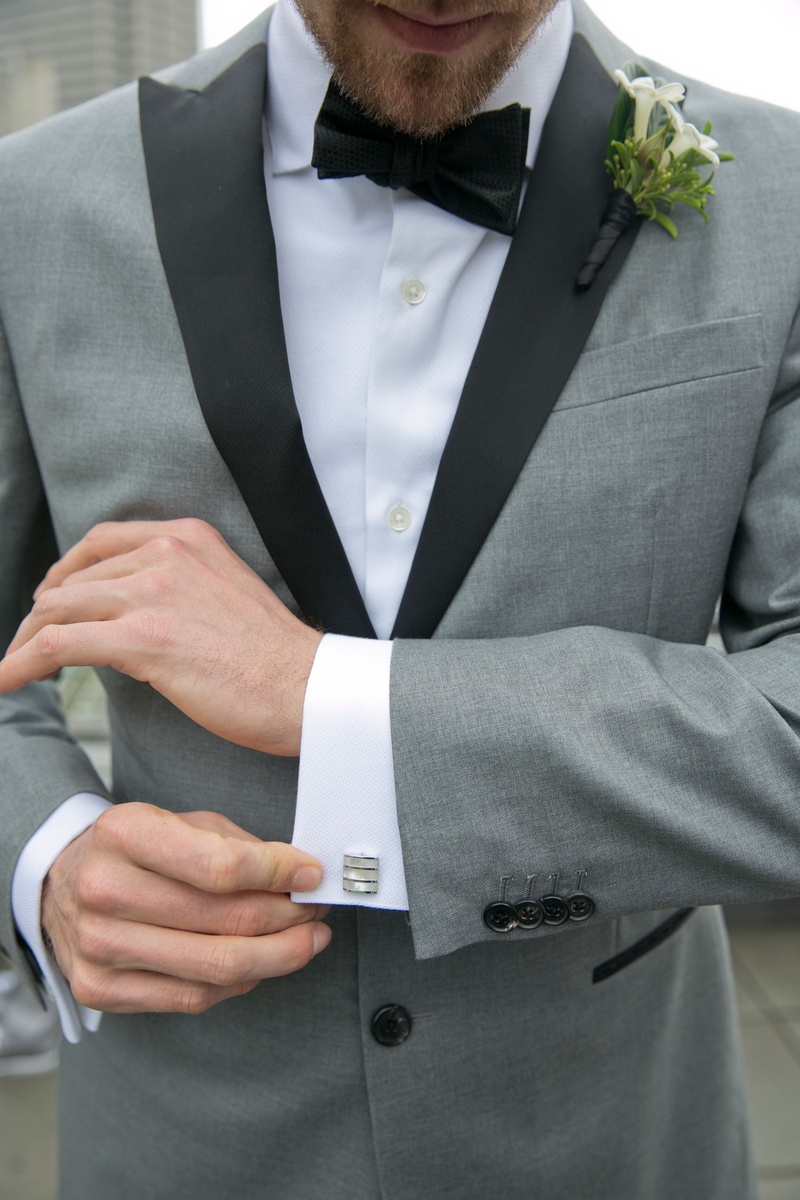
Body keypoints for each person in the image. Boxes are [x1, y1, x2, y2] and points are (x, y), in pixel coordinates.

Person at [0, 0, 798, 1195]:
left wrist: (330, 696)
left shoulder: (778, 198)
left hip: (605, 1127)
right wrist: (46, 855)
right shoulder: (31, 204)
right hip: (186, 1136)